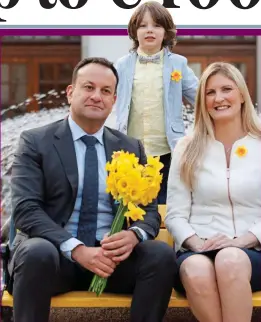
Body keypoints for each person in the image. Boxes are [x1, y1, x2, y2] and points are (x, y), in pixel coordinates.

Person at [8, 57, 177, 322]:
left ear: (113, 100)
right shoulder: (35, 142)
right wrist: (76, 249)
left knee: (160, 254)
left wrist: (134, 234)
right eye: (89, 87)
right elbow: (25, 210)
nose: (97, 96)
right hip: (55, 259)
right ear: (70, 92)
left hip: (112, 262)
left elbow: (150, 211)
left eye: (105, 91)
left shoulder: (131, 147)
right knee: (36, 252)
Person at [165, 62, 261, 322]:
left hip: (253, 250)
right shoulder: (187, 148)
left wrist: (242, 241)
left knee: (230, 259)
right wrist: (197, 244)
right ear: (202, 101)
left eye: (226, 89)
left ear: (242, 95)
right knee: (196, 269)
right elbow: (174, 215)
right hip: (199, 248)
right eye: (210, 92)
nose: (218, 98)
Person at [114, 1, 198, 204]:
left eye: (156, 25)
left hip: (167, 150)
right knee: (129, 204)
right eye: (143, 25)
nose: (149, 30)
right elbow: (105, 97)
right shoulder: (122, 65)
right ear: (134, 31)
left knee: (165, 205)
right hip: (130, 151)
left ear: (166, 32)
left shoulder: (178, 64)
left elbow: (202, 97)